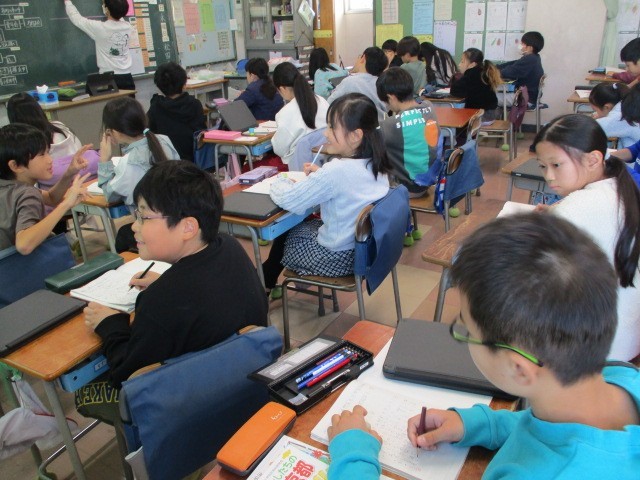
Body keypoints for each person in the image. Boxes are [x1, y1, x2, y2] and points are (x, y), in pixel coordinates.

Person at [327, 213, 640, 479]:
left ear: (519, 369)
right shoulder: (618, 379)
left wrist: (353, 453)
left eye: (466, 330)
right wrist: (479, 424)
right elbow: (548, 428)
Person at [78, 161, 268, 421]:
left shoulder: (162, 301)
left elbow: (126, 374)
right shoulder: (229, 247)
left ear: (188, 227)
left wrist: (110, 324)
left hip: (189, 409)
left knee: (83, 392)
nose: (134, 226)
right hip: (242, 385)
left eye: (144, 217)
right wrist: (165, 283)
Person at [262, 93, 391, 299]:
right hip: (364, 251)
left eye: (332, 127)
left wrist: (280, 181)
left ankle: (264, 282)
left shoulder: (336, 171)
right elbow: (347, 185)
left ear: (355, 135)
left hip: (335, 258)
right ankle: (266, 280)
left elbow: (289, 200)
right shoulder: (377, 163)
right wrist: (321, 176)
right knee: (299, 226)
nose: (326, 133)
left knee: (285, 232)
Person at [534, 114, 640, 361]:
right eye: (542, 166)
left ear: (593, 159)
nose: (549, 176)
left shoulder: (576, 208)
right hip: (627, 336)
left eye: (556, 165)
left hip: (591, 350)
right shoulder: (621, 183)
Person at [99, 96, 179, 251]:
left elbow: (110, 195)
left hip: (155, 229)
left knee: (123, 235)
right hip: (176, 218)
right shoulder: (164, 140)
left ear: (114, 131)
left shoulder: (128, 163)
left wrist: (104, 161)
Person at [0, 123, 90, 253]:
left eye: (48, 152)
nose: (50, 160)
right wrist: (66, 204)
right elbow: (24, 245)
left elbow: (51, 198)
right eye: (42, 154)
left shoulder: (9, 186)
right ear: (15, 166)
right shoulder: (27, 194)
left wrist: (69, 172)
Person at [376, 67, 440, 197]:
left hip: (409, 188)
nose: (387, 106)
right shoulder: (429, 106)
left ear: (391, 97)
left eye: (386, 102)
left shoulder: (389, 125)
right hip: (431, 178)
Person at [64, 0, 136, 90]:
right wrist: (109, 5)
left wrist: (67, 2)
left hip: (109, 79)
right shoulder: (128, 27)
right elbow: (118, 14)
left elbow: (77, 19)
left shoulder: (100, 28)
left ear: (107, 10)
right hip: (128, 78)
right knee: (128, 100)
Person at [147, 61, 207, 162]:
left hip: (165, 162)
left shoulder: (155, 107)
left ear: (159, 86)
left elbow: (151, 134)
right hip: (192, 161)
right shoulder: (194, 104)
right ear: (184, 84)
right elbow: (201, 134)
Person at [271, 62, 329, 166]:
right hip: (326, 161)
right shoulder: (322, 100)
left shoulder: (285, 113)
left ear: (282, 88)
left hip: (301, 166)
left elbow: (279, 149)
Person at [328, 47, 389, 121]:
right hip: (382, 124)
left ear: (363, 58)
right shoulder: (383, 84)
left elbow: (329, 103)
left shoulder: (350, 82)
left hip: (357, 125)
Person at [450, 48, 502, 121]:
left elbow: (454, 90)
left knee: (454, 118)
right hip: (490, 113)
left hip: (482, 115)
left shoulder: (472, 74)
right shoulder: (482, 72)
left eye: (462, 62)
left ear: (472, 64)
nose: (459, 65)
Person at [497, 31, 544, 107]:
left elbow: (508, 72)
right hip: (525, 95)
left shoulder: (530, 59)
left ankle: (491, 115)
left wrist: (493, 72)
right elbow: (512, 64)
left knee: (485, 97)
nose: (520, 45)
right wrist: (495, 67)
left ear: (530, 47)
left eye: (522, 43)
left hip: (524, 98)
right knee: (490, 91)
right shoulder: (534, 58)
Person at [588, 82, 640, 149]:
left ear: (606, 107)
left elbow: (588, 129)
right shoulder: (624, 106)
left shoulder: (620, 117)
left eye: (596, 110)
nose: (596, 113)